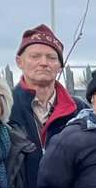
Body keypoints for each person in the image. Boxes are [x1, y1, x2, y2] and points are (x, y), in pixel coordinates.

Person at [9, 24, 83, 152]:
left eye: (51, 57)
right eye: (35, 56)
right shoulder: (4, 107)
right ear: (19, 61)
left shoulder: (79, 110)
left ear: (60, 66)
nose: (43, 63)